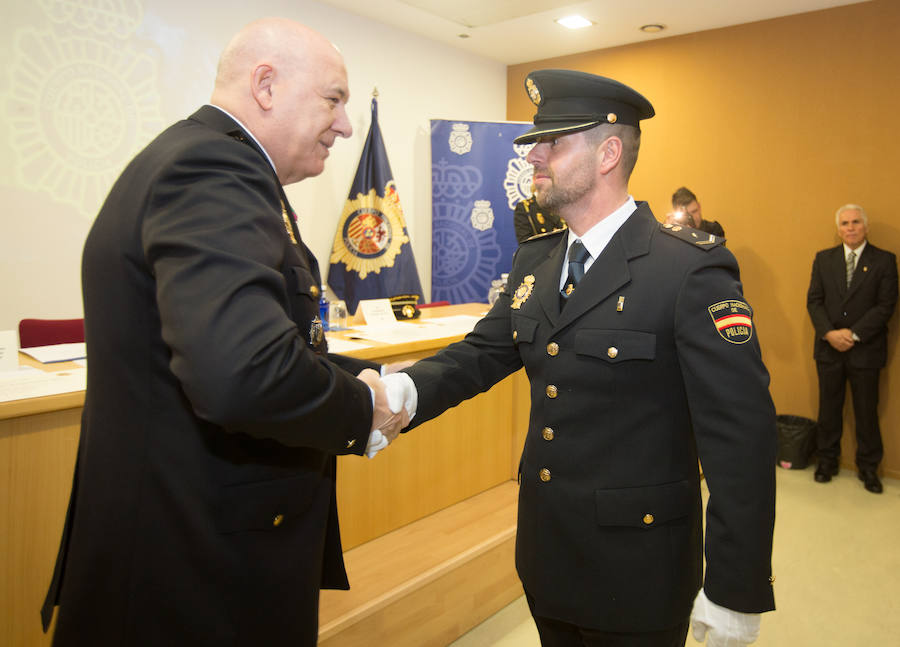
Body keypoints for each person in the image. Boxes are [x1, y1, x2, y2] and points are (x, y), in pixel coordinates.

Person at [40, 18, 407, 647]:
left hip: (184, 553)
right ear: (265, 85)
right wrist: (360, 408)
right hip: (188, 574)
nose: (346, 124)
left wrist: (352, 376)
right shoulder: (215, 167)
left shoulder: (208, 161)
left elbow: (260, 339)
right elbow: (241, 373)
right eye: (334, 98)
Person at [382, 69, 776, 646]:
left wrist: (735, 589)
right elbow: (481, 354)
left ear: (608, 153)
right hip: (547, 557)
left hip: (640, 574)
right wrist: (398, 392)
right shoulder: (537, 262)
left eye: (554, 143)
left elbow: (741, 438)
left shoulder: (688, 271)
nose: (534, 157)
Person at [806, 204, 898, 493]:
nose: (850, 227)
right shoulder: (824, 259)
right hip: (829, 348)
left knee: (866, 412)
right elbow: (814, 301)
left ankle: (869, 468)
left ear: (866, 227)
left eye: (856, 222)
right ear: (838, 228)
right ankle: (827, 462)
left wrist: (854, 334)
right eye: (845, 223)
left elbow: (886, 305)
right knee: (829, 409)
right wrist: (830, 333)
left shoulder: (884, 261)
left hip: (865, 350)